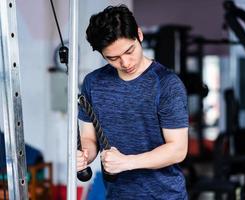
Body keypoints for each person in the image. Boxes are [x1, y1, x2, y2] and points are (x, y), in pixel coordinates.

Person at [77, 4, 189, 199]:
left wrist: (127, 162)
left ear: (139, 34)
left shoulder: (167, 84)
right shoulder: (93, 83)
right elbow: (89, 138)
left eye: (130, 51)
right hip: (117, 195)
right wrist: (84, 155)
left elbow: (178, 149)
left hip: (165, 195)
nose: (125, 63)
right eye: (113, 58)